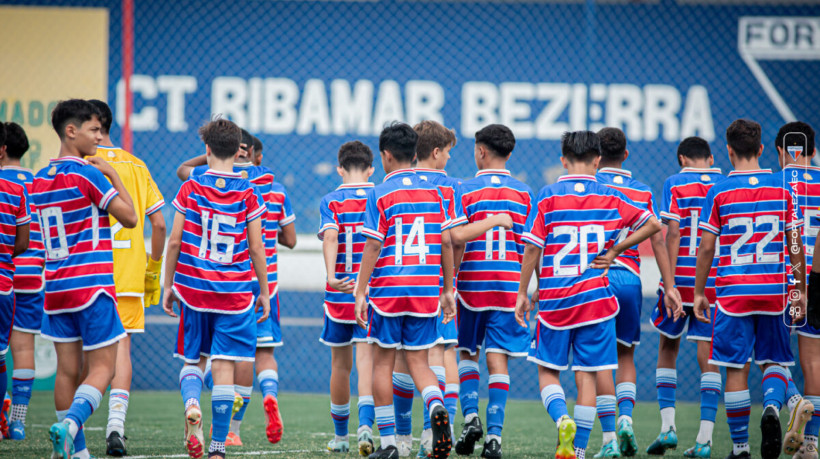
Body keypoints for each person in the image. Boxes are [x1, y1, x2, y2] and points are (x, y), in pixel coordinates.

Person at [516, 130, 661, 459]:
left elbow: (531, 250)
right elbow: (652, 225)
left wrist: (524, 292)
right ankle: (579, 451)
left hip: (555, 300)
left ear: (564, 161)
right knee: (589, 376)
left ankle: (561, 418)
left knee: (547, 372)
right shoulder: (611, 197)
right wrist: (616, 251)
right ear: (597, 160)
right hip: (596, 301)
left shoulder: (549, 196)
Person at [693, 119, 806, 459]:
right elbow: (796, 245)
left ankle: (741, 448)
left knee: (735, 368)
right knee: (773, 361)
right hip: (774, 290)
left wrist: (700, 292)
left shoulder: (719, 191)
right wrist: (797, 289)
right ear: (760, 149)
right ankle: (772, 407)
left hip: (733, 295)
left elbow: (707, 247)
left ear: (728, 151)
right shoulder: (784, 188)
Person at [32, 99, 137, 459]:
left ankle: (77, 454)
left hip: (56, 288)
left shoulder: (39, 179)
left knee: (66, 372)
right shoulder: (88, 173)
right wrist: (115, 176)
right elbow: (130, 218)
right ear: (71, 131)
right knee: (103, 369)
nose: (99, 137)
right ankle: (71, 425)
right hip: (92, 286)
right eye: (93, 130)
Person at [177, 128, 296, 445]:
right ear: (255, 154)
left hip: (204, 281)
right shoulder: (269, 186)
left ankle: (196, 407)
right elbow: (289, 240)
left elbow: (181, 172)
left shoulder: (197, 180)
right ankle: (233, 430)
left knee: (201, 359)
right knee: (253, 355)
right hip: (254, 282)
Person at [163, 118, 270, 459]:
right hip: (235, 292)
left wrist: (169, 285)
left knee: (193, 361)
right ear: (241, 150)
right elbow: (256, 248)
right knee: (223, 366)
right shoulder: (248, 191)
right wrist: (264, 291)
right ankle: (218, 448)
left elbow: (175, 239)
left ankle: (192, 403)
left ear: (207, 149)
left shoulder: (190, 187)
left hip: (194, 289)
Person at [353, 122, 455, 459]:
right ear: (416, 153)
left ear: (385, 155)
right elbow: (445, 242)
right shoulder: (434, 193)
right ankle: (437, 408)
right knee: (420, 362)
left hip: (389, 290)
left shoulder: (379, 193)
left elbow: (372, 245)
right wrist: (447, 288)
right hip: (426, 289)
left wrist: (360, 289)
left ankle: (389, 444)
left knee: (382, 363)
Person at [593, 127, 681, 458]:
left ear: (596, 157)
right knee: (625, 354)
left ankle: (607, 438)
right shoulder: (642, 190)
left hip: (596, 278)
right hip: (630, 279)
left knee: (598, 359)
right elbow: (657, 238)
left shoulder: (592, 185)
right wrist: (670, 286)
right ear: (626, 155)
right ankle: (626, 419)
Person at [86, 99, 167, 457]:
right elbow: (160, 224)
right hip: (131, 276)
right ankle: (115, 428)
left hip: (85, 272)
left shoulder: (80, 165)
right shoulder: (136, 165)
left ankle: (70, 422)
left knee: (77, 352)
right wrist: (152, 268)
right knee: (122, 350)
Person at [446, 124, 532, 459]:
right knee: (498, 361)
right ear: (509, 153)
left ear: (481, 151)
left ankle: (470, 418)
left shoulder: (463, 189)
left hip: (471, 285)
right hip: (510, 286)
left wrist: (449, 285)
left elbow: (456, 239)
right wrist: (533, 287)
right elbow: (531, 246)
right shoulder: (524, 192)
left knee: (467, 353)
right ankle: (494, 438)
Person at [647, 137, 725, 457]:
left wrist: (671, 283)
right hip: (713, 281)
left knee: (667, 346)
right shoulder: (723, 183)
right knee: (708, 356)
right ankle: (705, 440)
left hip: (681, 277)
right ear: (710, 157)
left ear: (682, 158)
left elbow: (674, 232)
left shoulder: (675, 183)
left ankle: (668, 428)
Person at [393, 120, 460, 458]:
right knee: (440, 354)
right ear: (435, 152)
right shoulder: (448, 187)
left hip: (400, 282)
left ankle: (402, 441)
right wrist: (453, 279)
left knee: (400, 361)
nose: (449, 158)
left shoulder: (397, 187)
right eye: (447, 152)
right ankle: (428, 435)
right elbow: (454, 239)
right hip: (438, 285)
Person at [318, 140, 376, 455]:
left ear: (340, 169)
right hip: (369, 294)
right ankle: (366, 428)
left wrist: (330, 276)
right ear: (371, 169)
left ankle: (341, 438)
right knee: (367, 362)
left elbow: (330, 235)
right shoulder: (379, 196)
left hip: (338, 295)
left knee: (340, 366)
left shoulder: (331, 200)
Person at [775, 121, 819, 458]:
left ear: (780, 152)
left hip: (779, 277)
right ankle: (811, 445)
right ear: (813, 152)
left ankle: (792, 398)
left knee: (771, 355)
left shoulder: (775, 184)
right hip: (816, 277)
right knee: (814, 362)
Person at [1, 122, 44, 442]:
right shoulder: (38, 181)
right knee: (24, 348)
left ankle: (4, 414)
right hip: (35, 274)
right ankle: (18, 422)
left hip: (7, 269)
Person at [0, 121, 30, 441]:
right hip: (26, 275)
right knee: (21, 349)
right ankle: (15, 421)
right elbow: (23, 241)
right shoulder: (29, 184)